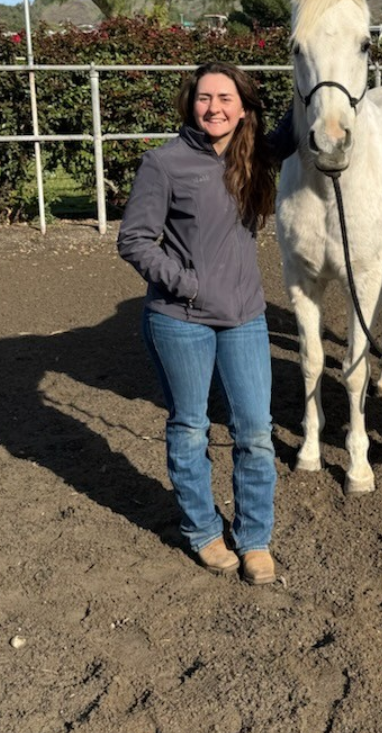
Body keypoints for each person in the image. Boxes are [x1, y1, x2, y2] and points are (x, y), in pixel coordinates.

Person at [118, 61, 280, 586]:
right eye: (205, 98)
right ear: (191, 103)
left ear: (244, 106)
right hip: (180, 319)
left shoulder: (253, 156)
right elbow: (135, 240)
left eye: (226, 98)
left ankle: (254, 539)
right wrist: (185, 282)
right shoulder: (164, 164)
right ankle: (204, 531)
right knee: (190, 428)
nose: (215, 108)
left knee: (255, 431)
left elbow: (309, 123)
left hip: (246, 319)